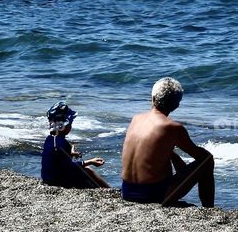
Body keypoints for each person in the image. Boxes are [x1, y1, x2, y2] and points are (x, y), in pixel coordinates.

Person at [120, 77, 215, 207]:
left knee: (166, 153)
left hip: (127, 191)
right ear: (176, 105)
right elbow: (202, 158)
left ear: (153, 99)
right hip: (153, 195)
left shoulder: (136, 119)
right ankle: (209, 209)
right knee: (208, 160)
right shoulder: (172, 127)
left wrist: (171, 153)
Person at [41, 101, 109, 189]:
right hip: (56, 180)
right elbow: (69, 166)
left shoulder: (49, 139)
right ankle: (109, 190)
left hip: (47, 178)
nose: (71, 126)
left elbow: (57, 158)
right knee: (88, 171)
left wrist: (71, 153)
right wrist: (91, 161)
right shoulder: (61, 143)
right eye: (70, 123)